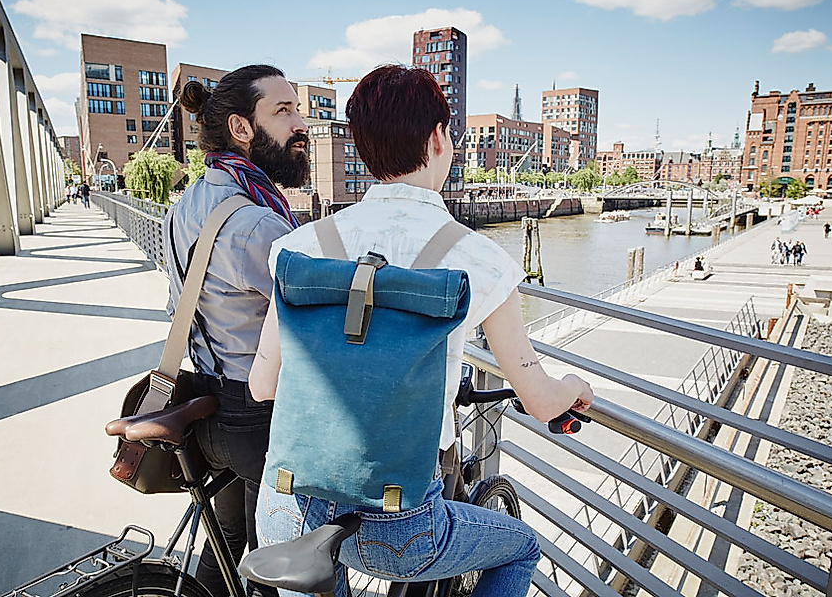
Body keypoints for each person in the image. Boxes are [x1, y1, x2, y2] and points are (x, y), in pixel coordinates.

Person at [249, 65, 594, 597]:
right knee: (521, 546)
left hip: (286, 506)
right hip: (396, 523)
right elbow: (542, 400)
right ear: (437, 137)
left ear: (361, 147)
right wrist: (574, 389)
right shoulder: (479, 260)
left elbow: (262, 386)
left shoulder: (298, 248)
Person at [162, 64, 308, 597]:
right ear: (243, 129)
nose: (301, 122)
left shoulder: (186, 205)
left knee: (225, 544)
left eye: (297, 107)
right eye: (283, 110)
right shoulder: (259, 224)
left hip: (207, 406)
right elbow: (316, 323)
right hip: (259, 419)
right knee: (278, 563)